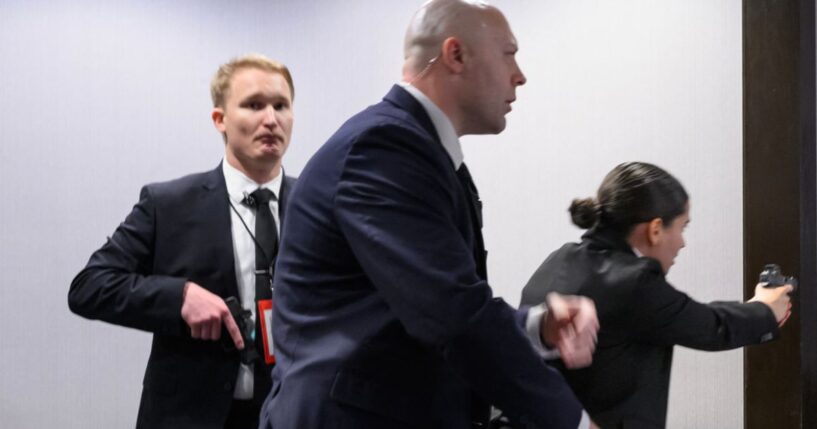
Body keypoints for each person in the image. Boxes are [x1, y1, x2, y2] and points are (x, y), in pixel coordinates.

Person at [260, 1, 599, 428]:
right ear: (456, 55)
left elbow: (422, 305)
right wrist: (575, 423)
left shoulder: (414, 148)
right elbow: (453, 313)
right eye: (509, 53)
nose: (520, 75)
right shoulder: (384, 148)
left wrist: (537, 327)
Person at [68, 54, 297, 429]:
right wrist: (180, 297)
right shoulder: (168, 205)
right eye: (254, 105)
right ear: (220, 119)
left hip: (293, 414)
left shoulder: (319, 206)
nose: (270, 119)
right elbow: (89, 285)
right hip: (189, 415)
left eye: (280, 106)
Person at [521, 161, 793, 428]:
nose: (683, 242)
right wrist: (766, 309)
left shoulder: (557, 261)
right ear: (654, 230)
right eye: (681, 227)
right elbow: (710, 326)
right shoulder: (633, 283)